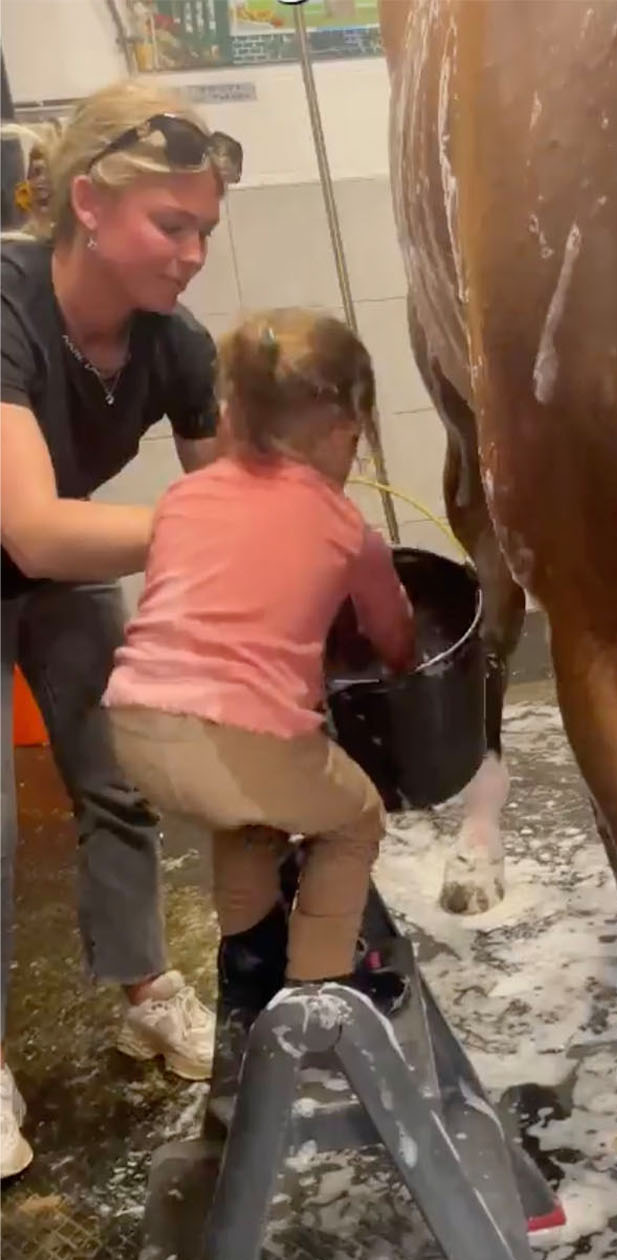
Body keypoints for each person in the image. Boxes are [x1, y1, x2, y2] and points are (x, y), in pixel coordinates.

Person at [0, 81, 244, 1177]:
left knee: (119, 771)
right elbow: (37, 531)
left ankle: (144, 990)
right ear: (88, 203)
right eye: (171, 225)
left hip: (53, 572)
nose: (191, 253)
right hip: (34, 543)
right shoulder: (6, 307)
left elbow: (233, 502)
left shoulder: (173, 341)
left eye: (205, 229)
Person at [103, 308, 417, 1051]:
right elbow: (393, 632)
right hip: (243, 734)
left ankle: (249, 961)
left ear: (231, 415)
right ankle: (319, 985)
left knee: (247, 817)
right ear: (344, 430)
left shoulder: (183, 498)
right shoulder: (343, 525)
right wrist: (400, 665)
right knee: (354, 818)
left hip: (138, 724)